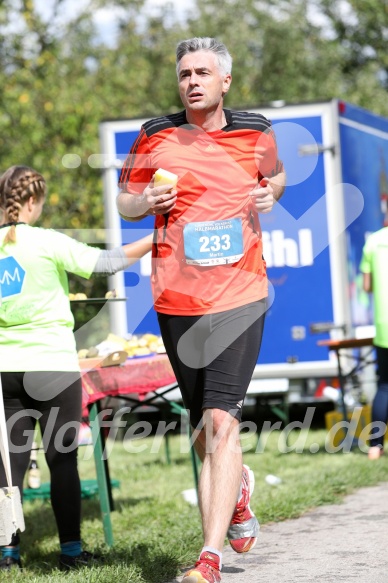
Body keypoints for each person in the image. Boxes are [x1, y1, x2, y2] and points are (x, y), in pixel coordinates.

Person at [117, 37, 286, 583]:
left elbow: (275, 175)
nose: (192, 81)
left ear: (224, 81)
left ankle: (207, 560)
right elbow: (126, 199)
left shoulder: (255, 130)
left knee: (220, 420)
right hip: (176, 298)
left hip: (240, 295)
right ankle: (236, 490)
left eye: (203, 72)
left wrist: (272, 194)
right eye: (185, 73)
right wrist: (145, 204)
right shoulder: (154, 135)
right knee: (202, 429)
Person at [0, 165, 153, 571]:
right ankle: (70, 553)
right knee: (62, 459)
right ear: (32, 202)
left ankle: (7, 555)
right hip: (51, 365)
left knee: (10, 464)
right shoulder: (46, 242)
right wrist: (154, 239)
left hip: (4, 371)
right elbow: (105, 263)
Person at [360, 226, 388, 460]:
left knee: (384, 386)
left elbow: (367, 286)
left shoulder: (374, 241)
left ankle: (375, 446)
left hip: (384, 326)